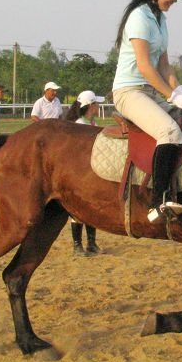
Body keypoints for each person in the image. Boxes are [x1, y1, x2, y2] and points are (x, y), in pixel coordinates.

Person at [111, 0, 182, 224]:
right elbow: (146, 67)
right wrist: (171, 96)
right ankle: (157, 202)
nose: (175, 1)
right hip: (129, 92)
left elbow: (165, 65)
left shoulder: (160, 20)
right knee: (169, 131)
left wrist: (179, 90)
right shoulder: (139, 17)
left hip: (150, 92)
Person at [64, 90, 105, 256]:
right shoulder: (80, 125)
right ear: (91, 105)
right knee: (77, 211)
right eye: (97, 103)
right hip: (79, 172)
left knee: (90, 209)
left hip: (90, 171)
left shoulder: (91, 124)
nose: (99, 106)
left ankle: (91, 243)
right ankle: (77, 245)